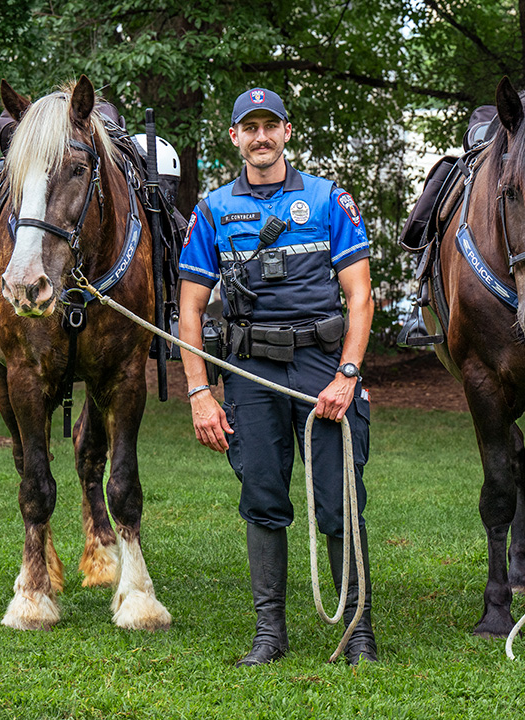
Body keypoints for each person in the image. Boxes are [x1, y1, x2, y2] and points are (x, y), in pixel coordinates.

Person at [176, 87, 377, 665]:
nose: (261, 137)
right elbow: (190, 309)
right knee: (263, 500)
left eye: (271, 126)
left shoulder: (327, 200)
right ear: (235, 137)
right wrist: (199, 392)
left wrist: (346, 374)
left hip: (322, 367)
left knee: (339, 501)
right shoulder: (213, 210)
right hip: (248, 373)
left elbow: (360, 298)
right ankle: (270, 634)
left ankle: (357, 630)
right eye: (249, 128)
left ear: (287, 132)